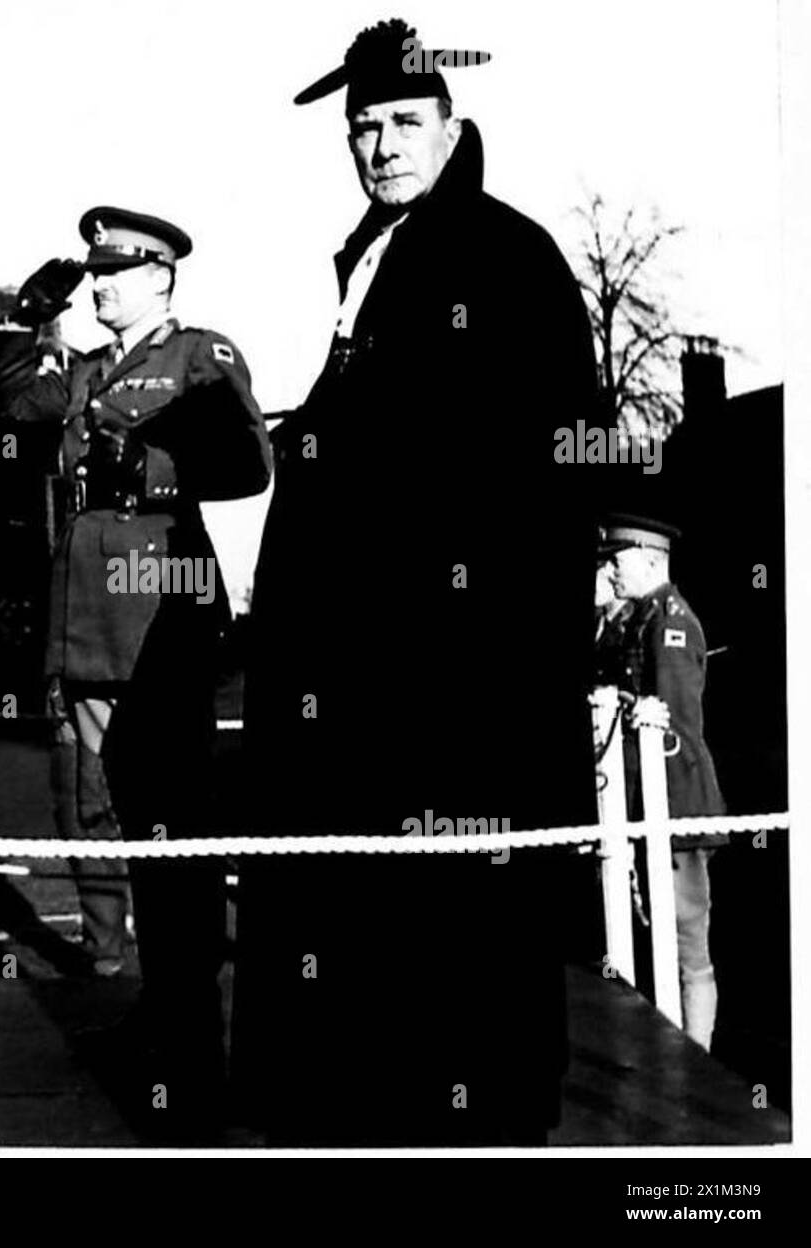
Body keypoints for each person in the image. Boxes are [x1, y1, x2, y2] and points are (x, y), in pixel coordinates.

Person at [234, 19, 604, 1145]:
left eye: (402, 123)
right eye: (362, 128)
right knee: (384, 955)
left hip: (452, 694)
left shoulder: (501, 257)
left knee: (467, 956)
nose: (380, 145)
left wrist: (466, 644)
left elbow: (546, 471)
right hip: (367, 693)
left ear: (451, 126)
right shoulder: (381, 257)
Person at [0, 206, 272, 1137]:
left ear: (159, 277)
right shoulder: (77, 373)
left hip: (156, 621)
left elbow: (244, 458)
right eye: (92, 272)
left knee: (175, 828)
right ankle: (160, 1009)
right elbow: (15, 406)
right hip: (87, 630)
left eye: (115, 270)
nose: (99, 283)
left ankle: (193, 1033)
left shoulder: (200, 355)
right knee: (114, 819)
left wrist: (145, 454)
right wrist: (20, 325)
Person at [596, 515, 727, 1051]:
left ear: (650, 560)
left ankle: (698, 1062)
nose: (609, 570)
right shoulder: (636, 620)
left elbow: (667, 728)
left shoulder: (669, 623)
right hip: (645, 807)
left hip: (675, 810)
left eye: (616, 560)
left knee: (688, 947)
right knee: (651, 942)